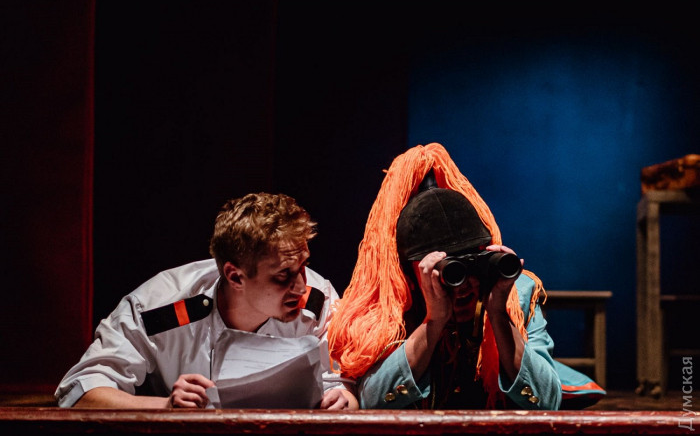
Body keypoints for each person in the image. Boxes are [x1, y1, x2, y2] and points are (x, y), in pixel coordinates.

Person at [328, 143, 604, 410]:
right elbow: (372, 401)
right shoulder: (388, 310)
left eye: (470, 266)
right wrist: (433, 322)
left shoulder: (517, 294)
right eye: (450, 272)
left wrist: (499, 315)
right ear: (410, 274)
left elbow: (547, 402)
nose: (463, 287)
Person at [55, 192, 358, 410]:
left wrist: (342, 400)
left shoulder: (319, 300)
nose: (301, 285)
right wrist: (165, 406)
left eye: (304, 265)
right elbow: (80, 391)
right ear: (235, 276)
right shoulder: (159, 307)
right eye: (283, 275)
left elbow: (345, 387)